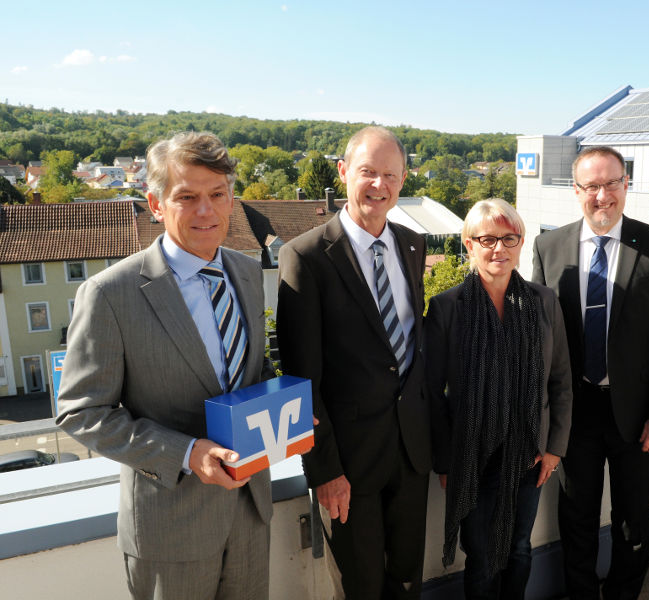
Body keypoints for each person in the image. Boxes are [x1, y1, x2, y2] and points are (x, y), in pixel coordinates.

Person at [56, 131, 274, 599]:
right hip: (169, 530)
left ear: (232, 199)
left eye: (217, 195)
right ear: (155, 204)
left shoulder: (248, 273)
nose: (206, 211)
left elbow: (254, 374)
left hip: (251, 514)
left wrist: (285, 412)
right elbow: (80, 410)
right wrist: (186, 452)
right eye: (187, 197)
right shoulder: (109, 294)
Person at [277, 126, 431, 599]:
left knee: (406, 581)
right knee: (360, 588)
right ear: (344, 173)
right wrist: (323, 470)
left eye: (390, 175)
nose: (379, 186)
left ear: (403, 180)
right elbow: (301, 379)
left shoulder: (411, 243)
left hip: (410, 453)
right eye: (368, 172)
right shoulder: (305, 257)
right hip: (347, 464)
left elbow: (410, 347)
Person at [532, 145, 649, 599]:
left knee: (633, 521)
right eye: (592, 186)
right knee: (576, 518)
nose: (602, 196)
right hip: (574, 412)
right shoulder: (549, 246)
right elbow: (539, 339)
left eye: (611, 184)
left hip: (638, 416)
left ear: (626, 185)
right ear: (576, 190)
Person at [426, 199, 572, 599]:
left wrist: (554, 447)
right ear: (468, 245)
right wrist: (444, 460)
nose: (499, 249)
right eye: (488, 239)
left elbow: (560, 380)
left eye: (509, 238)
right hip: (470, 457)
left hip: (529, 453)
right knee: (481, 557)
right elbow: (432, 394)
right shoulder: (446, 308)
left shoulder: (543, 303)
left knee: (519, 549)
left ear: (521, 243)